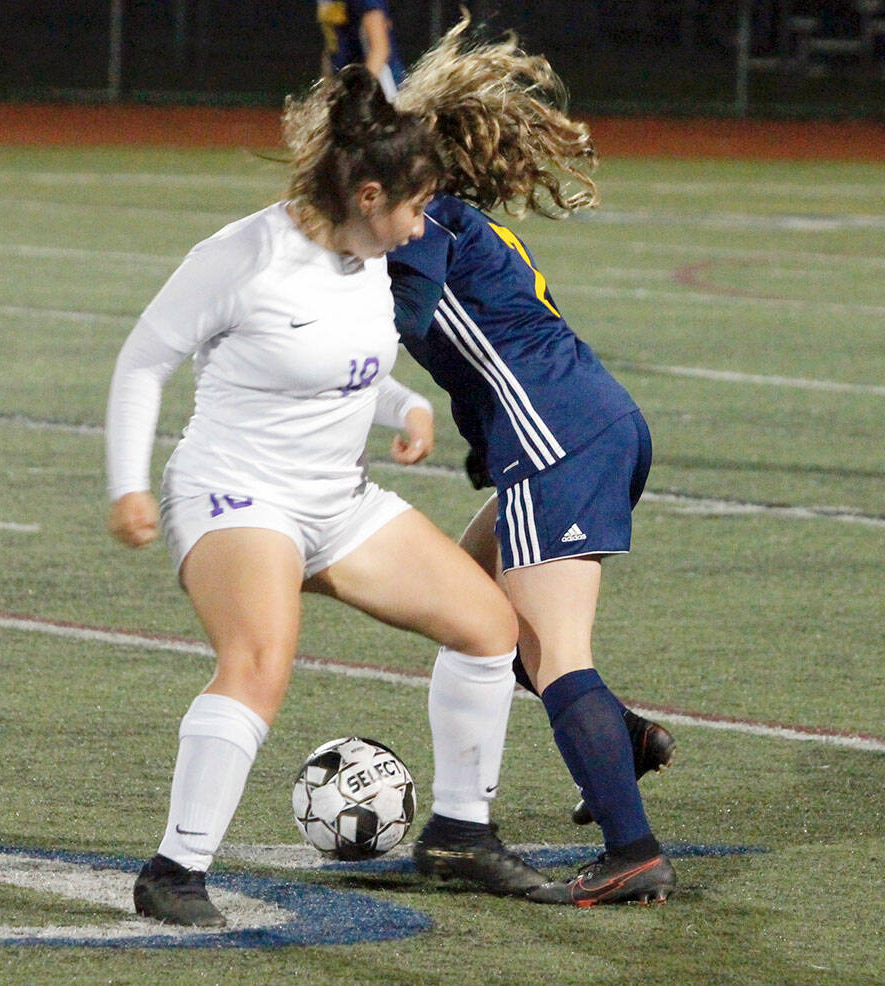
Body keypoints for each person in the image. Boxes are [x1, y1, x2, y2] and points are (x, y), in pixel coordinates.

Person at [105, 66, 545, 927]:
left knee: (488, 625)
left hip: (339, 503)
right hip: (239, 496)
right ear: (367, 195)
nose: (420, 226)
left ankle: (462, 833)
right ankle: (174, 870)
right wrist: (128, 484)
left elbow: (339, 366)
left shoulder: (367, 255)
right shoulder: (244, 256)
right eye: (415, 207)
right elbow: (143, 362)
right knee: (260, 662)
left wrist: (405, 404)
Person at [390, 20, 677, 905]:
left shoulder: (425, 216)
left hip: (558, 439)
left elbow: (407, 317)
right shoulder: (462, 219)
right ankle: (621, 738)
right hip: (589, 424)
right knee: (471, 601)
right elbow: (485, 346)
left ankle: (632, 850)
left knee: (551, 651)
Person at [316, 0, 406, 101]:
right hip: (349, 87)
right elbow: (333, 44)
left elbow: (380, 49)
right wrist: (327, 88)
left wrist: (358, 95)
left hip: (380, 92)